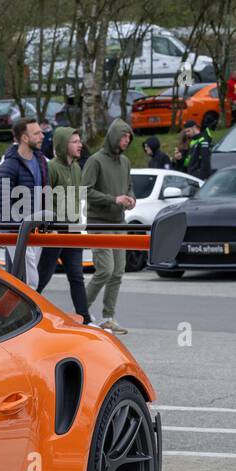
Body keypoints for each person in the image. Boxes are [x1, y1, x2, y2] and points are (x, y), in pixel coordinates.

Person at [83, 118, 135, 334]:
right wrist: (113, 199)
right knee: (105, 270)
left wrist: (131, 198)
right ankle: (81, 311)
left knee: (118, 272)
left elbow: (129, 187)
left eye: (129, 138)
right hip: (99, 222)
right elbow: (85, 190)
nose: (126, 141)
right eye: (123, 137)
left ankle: (107, 317)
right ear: (114, 136)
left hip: (119, 223)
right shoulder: (95, 161)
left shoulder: (125, 162)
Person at [36, 127, 93, 325]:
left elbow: (77, 198)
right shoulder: (51, 167)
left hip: (73, 230)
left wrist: (79, 222)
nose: (80, 145)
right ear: (62, 145)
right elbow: (45, 198)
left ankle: (84, 317)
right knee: (43, 275)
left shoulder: (77, 168)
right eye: (74, 141)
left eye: (80, 141)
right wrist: (49, 225)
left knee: (76, 276)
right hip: (55, 230)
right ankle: (28, 313)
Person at [0, 117, 50, 287]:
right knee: (31, 281)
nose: (42, 136)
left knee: (22, 280)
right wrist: (16, 230)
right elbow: (3, 203)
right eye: (37, 133)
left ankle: (16, 312)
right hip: (17, 230)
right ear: (25, 138)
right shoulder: (9, 165)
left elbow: (45, 192)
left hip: (36, 228)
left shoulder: (41, 160)